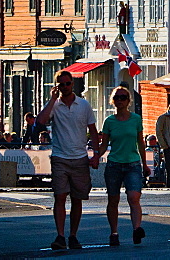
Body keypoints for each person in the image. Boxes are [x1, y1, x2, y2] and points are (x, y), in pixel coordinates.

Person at [36, 70, 100, 251]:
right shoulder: (54, 106)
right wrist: (51, 99)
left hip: (79, 157)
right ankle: (60, 235)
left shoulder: (84, 105)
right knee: (60, 196)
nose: (65, 87)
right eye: (61, 84)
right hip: (60, 157)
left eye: (67, 84)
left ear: (73, 84)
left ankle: (73, 235)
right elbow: (40, 121)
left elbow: (93, 130)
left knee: (77, 198)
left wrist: (95, 154)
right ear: (57, 86)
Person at [99, 86, 150, 246]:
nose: (120, 101)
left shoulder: (136, 119)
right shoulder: (109, 121)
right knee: (113, 200)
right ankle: (114, 233)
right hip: (114, 164)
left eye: (123, 97)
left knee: (134, 197)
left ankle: (136, 229)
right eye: (117, 98)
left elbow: (140, 143)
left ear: (129, 101)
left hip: (133, 163)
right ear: (112, 101)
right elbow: (103, 145)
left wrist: (145, 164)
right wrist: (95, 157)